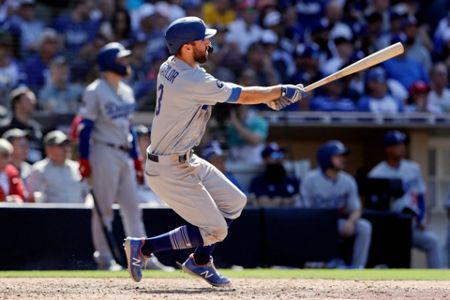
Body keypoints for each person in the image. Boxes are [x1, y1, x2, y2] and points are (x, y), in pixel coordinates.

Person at [123, 16, 303, 287]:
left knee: (234, 202)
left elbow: (218, 94)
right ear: (185, 46)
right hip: (169, 168)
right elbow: (240, 95)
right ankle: (145, 248)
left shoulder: (170, 66)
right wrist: (279, 90)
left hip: (186, 158)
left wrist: (269, 98)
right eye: (203, 39)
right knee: (216, 229)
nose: (209, 43)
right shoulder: (191, 79)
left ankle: (200, 262)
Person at [77, 42, 147, 271]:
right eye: (121, 59)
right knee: (104, 209)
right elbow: (84, 127)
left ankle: (143, 258)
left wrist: (136, 159)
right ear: (109, 62)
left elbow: (130, 128)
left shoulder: (126, 90)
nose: (126, 63)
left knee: (133, 208)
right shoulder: (95, 90)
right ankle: (105, 259)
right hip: (103, 150)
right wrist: (85, 159)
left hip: (124, 152)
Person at [368, 130, 442, 268]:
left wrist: (422, 219)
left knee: (432, 241)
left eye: (403, 144)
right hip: (389, 228)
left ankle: (437, 282)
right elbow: (374, 206)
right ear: (388, 149)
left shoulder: (413, 168)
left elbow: (420, 195)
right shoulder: (376, 173)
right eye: (397, 145)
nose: (402, 148)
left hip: (411, 224)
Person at [301, 140, 372, 269]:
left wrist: (350, 222)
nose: (343, 160)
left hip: (338, 223)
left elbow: (356, 209)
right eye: (338, 156)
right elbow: (305, 210)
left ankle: (357, 267)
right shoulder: (310, 179)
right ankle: (317, 263)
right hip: (314, 223)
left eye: (343, 156)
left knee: (364, 226)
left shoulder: (348, 180)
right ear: (326, 158)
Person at [28, 130, 89, 203]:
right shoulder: (39, 169)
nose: (66, 149)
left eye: (67, 145)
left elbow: (88, 193)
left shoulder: (77, 167)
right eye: (61, 146)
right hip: (53, 213)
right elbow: (34, 197)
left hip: (79, 212)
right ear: (49, 149)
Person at [248, 143, 300, 207]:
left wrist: (279, 201)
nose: (279, 159)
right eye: (275, 155)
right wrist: (286, 201)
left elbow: (300, 201)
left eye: (281, 155)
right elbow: (265, 204)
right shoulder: (258, 182)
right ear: (265, 160)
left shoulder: (293, 181)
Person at [0, 86, 43, 163]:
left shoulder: (35, 128)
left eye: (34, 100)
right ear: (17, 103)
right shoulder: (4, 129)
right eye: (28, 100)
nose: (33, 103)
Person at [1, 128, 32, 199]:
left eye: (26, 144)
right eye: (22, 145)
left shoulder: (30, 169)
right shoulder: (4, 170)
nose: (26, 148)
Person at [0, 138, 26, 203]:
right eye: (5, 155)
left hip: (11, 212)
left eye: (10, 155)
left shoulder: (11, 171)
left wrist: (17, 199)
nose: (9, 159)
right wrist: (4, 200)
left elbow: (20, 194)